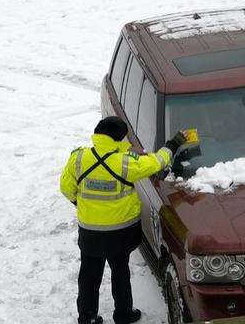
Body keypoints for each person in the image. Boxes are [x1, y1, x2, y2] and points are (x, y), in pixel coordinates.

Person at [60, 116, 187, 324]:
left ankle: (87, 317)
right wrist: (172, 145)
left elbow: (66, 188)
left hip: (90, 233)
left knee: (89, 277)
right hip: (120, 234)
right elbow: (157, 162)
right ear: (119, 139)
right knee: (120, 273)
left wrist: (80, 203)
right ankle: (123, 314)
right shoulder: (126, 163)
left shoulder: (79, 158)